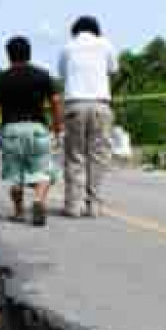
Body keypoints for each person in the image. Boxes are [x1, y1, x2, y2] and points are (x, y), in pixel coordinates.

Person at [0, 37, 64, 227]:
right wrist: (58, 127)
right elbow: (56, 102)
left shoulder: (1, 79)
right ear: (29, 53)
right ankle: (39, 200)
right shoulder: (42, 75)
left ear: (8, 55)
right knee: (44, 172)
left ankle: (19, 212)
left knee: (15, 176)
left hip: (11, 131)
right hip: (37, 129)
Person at [59, 16, 118, 217]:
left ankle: (73, 206)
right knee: (98, 156)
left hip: (75, 104)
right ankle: (94, 205)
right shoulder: (106, 44)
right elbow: (113, 69)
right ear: (96, 30)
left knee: (75, 156)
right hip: (100, 104)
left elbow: (62, 74)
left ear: (75, 31)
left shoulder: (67, 47)